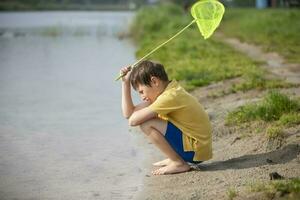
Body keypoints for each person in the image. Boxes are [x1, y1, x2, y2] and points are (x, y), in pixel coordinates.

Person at [120, 60, 212, 175]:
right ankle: (177, 157)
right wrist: (125, 83)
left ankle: (178, 163)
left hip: (195, 151)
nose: (142, 97)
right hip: (197, 148)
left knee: (146, 124)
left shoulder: (169, 97)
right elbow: (128, 114)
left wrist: (136, 115)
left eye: (142, 92)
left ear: (154, 81)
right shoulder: (167, 92)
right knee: (147, 119)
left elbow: (132, 121)